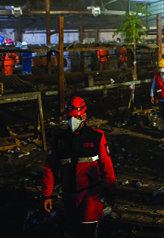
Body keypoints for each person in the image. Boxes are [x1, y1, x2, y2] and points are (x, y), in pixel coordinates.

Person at [42, 97, 116, 238]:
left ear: (83, 115)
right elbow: (50, 168)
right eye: (69, 117)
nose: (72, 121)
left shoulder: (96, 137)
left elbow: (106, 166)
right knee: (74, 230)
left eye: (75, 117)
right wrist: (47, 194)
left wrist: (111, 191)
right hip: (69, 194)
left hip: (91, 193)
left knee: (88, 231)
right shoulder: (60, 141)